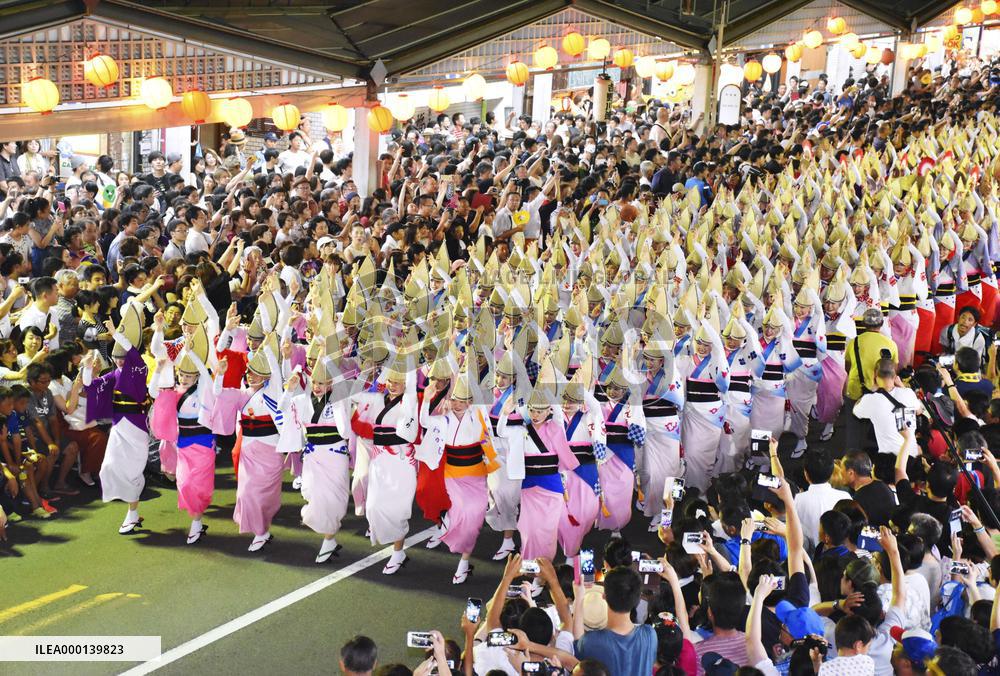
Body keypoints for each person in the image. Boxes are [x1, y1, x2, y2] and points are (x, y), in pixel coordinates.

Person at [574, 566, 656, 676]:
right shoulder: (650, 635)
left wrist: (579, 597)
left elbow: (577, 643)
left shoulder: (591, 642)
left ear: (604, 596)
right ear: (637, 600)